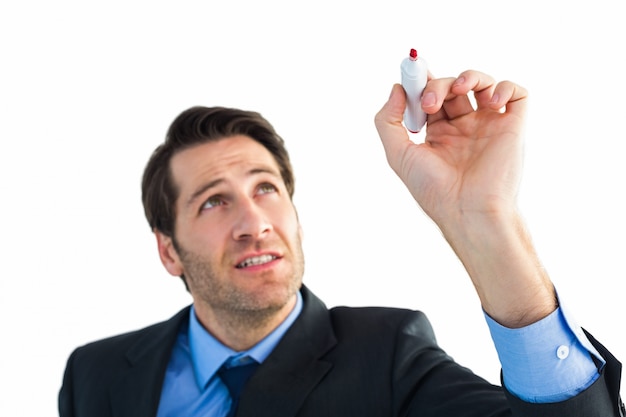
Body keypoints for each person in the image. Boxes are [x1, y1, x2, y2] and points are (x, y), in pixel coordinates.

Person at [59, 69, 624, 417]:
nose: (254, 221)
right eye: (213, 200)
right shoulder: (96, 375)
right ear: (168, 251)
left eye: (266, 188)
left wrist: (488, 222)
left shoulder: (387, 355)